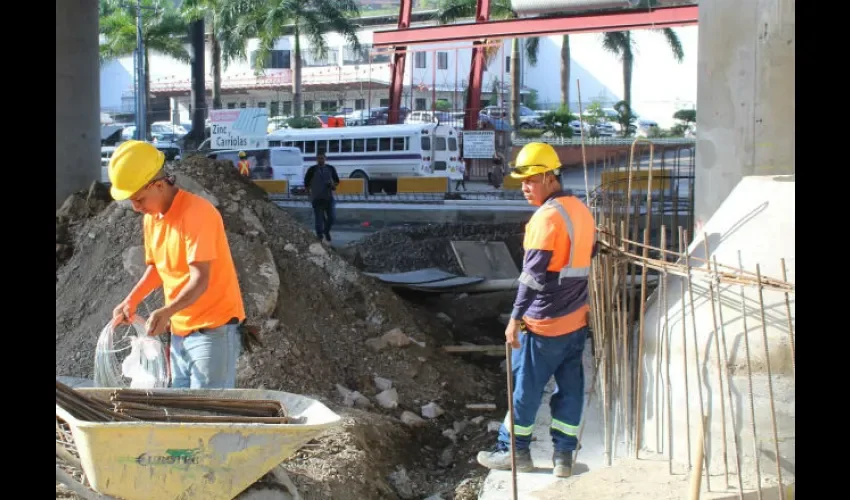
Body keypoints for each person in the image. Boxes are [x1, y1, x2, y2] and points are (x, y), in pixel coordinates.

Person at [476, 142, 597, 478]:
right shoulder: (581, 210)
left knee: (525, 391)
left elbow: (532, 277)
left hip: (544, 324)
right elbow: (592, 251)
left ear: (548, 176)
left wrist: (514, 319)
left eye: (529, 180)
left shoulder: (545, 219)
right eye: (522, 181)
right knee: (570, 389)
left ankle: (513, 452)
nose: (524, 187)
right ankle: (563, 457)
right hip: (576, 323)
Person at [108, 140, 246, 389]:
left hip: (212, 331)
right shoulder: (153, 219)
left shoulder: (197, 213)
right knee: (183, 411)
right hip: (180, 332)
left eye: (139, 199)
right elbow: (158, 267)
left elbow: (200, 278)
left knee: (209, 415)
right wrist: (132, 299)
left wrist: (165, 312)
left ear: (159, 185)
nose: (136, 208)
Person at [303, 151, 340, 242]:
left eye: (322, 158)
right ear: (316, 159)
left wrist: (332, 185)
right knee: (319, 221)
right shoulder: (312, 170)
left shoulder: (330, 168)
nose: (320, 160)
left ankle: (326, 231)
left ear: (325, 158)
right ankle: (319, 237)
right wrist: (309, 195)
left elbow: (336, 181)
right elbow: (306, 183)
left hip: (329, 198)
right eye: (319, 158)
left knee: (332, 217)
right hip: (317, 198)